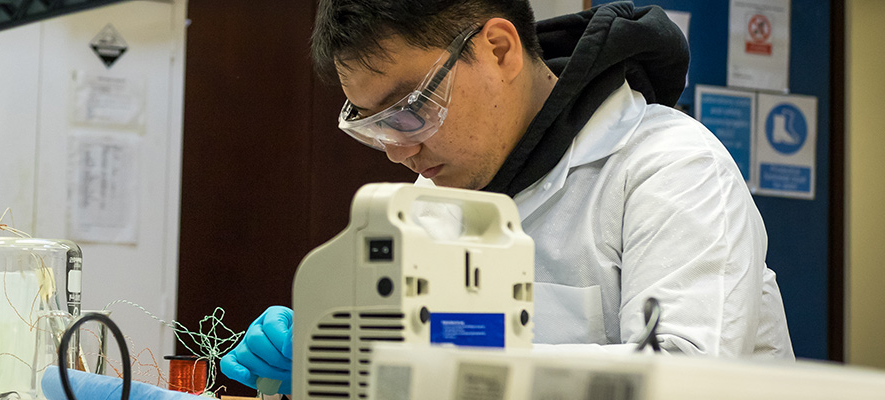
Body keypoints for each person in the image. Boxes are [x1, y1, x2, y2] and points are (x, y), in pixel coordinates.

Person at [220, 0, 795, 395]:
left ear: (498, 48)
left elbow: (689, 381)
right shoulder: (437, 197)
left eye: (412, 110)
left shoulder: (669, 168)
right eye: (375, 127)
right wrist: (337, 364)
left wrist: (453, 367)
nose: (398, 152)